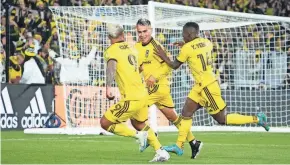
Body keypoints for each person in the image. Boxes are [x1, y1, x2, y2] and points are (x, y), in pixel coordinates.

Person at [153, 22, 270, 156]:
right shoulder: (207, 42)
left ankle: (257, 119)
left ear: (189, 34)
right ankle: (179, 146)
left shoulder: (187, 48)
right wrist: (186, 44)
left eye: (184, 34)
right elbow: (196, 48)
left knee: (222, 119)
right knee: (186, 112)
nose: (182, 36)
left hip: (208, 87)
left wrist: (163, 55)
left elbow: (174, 65)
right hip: (200, 85)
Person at [99, 24, 170, 162]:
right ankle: (161, 151)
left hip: (131, 97)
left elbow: (111, 68)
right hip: (143, 94)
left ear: (109, 37)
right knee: (139, 123)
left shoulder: (111, 51)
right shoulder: (133, 48)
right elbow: (141, 67)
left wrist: (108, 87)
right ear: (123, 35)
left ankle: (138, 136)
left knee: (105, 123)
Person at [134, 18, 202, 159]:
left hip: (157, 86)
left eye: (145, 31)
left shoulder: (156, 46)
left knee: (134, 115)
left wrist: (154, 76)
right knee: (173, 117)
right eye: (139, 32)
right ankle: (194, 142)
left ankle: (153, 140)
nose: (142, 34)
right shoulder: (137, 46)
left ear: (151, 30)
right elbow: (141, 65)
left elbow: (167, 66)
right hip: (159, 89)